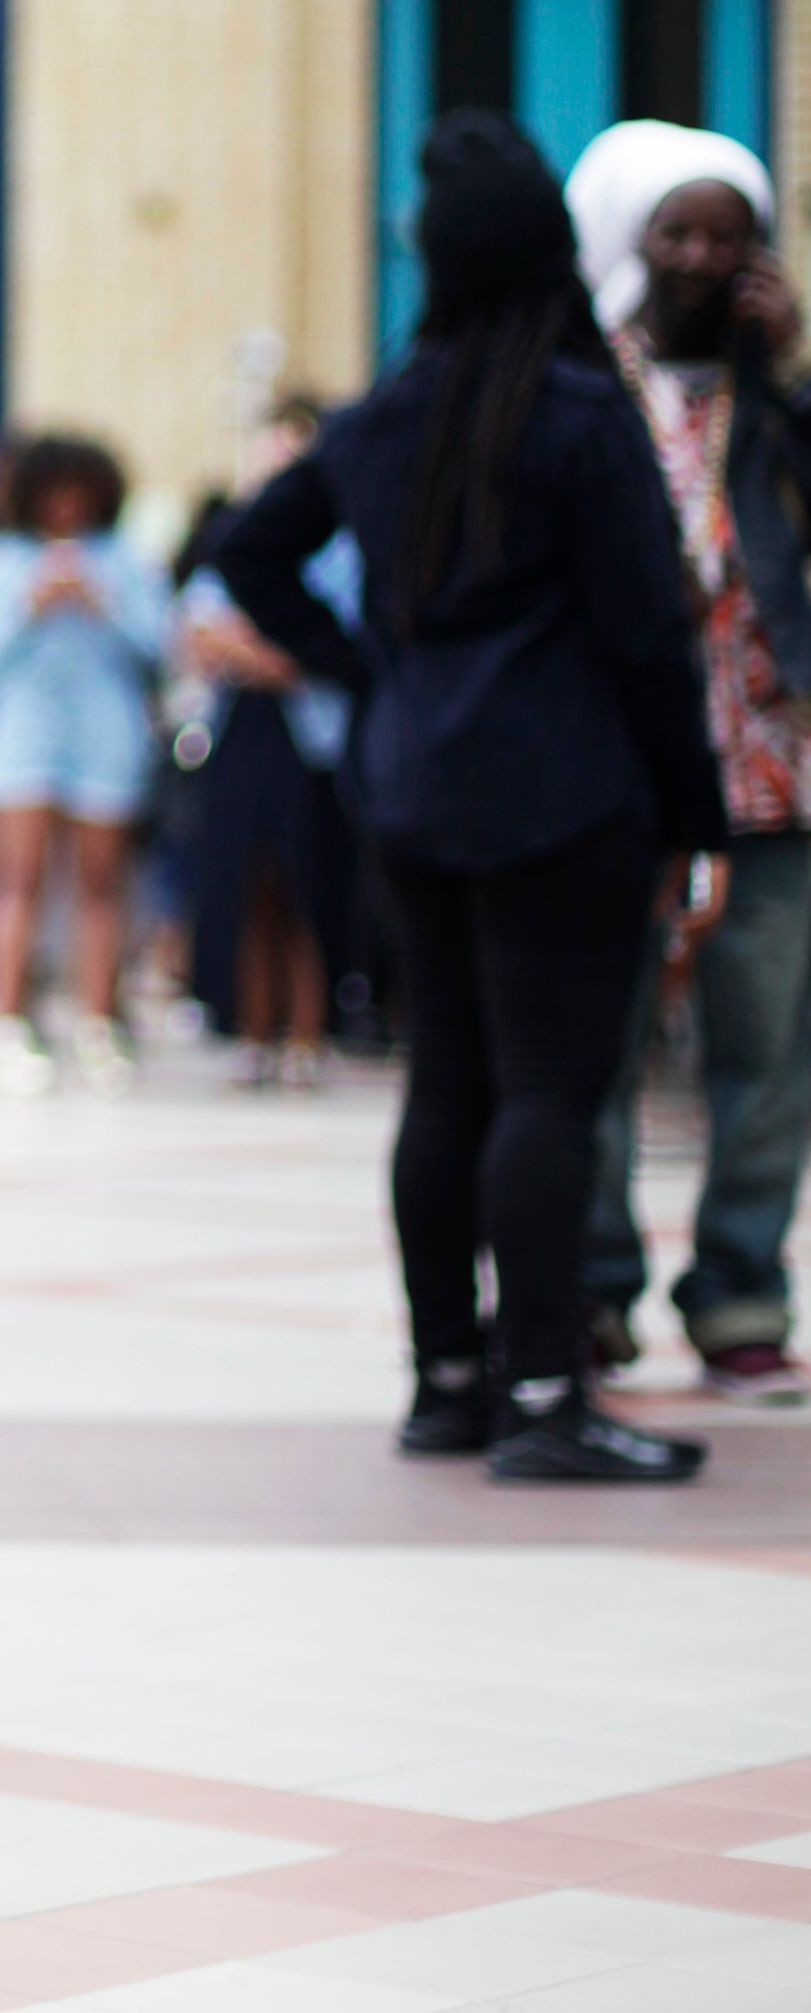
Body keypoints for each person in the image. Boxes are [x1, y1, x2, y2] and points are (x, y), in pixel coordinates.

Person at [218, 111, 724, 1485]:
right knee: (552, 1094)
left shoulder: (386, 411)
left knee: (446, 1087)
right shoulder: (574, 415)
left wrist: (367, 672)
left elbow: (247, 549)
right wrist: (695, 816)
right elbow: (645, 640)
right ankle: (552, 1397)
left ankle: (451, 1384)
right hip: (566, 804)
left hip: (415, 796)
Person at [567, 119, 811, 1403]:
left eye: (729, 234)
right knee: (595, 1041)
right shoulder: (582, 385)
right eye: (679, 231)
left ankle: (737, 1293)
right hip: (617, 772)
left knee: (762, 1047)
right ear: (631, 241)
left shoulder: (783, 403)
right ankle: (596, 1285)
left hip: (771, 771)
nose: (705, 258)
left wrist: (779, 383)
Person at [0, 434, 166, 1094]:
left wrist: (105, 601)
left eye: (80, 492)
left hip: (105, 733)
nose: (67, 506)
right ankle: (5, 1022)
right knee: (17, 881)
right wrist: (31, 604)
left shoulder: (125, 560)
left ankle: (97, 1021)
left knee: (101, 884)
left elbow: (162, 648)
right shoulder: (2, 561)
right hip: (20, 737)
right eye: (54, 492)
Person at [174, 397, 363, 1087]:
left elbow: (335, 643)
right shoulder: (240, 535)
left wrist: (265, 650)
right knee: (245, 878)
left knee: (307, 882)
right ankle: (253, 1031)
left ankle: (307, 1035)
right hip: (243, 729)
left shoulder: (343, 541)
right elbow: (197, 629)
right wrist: (263, 651)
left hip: (309, 734)